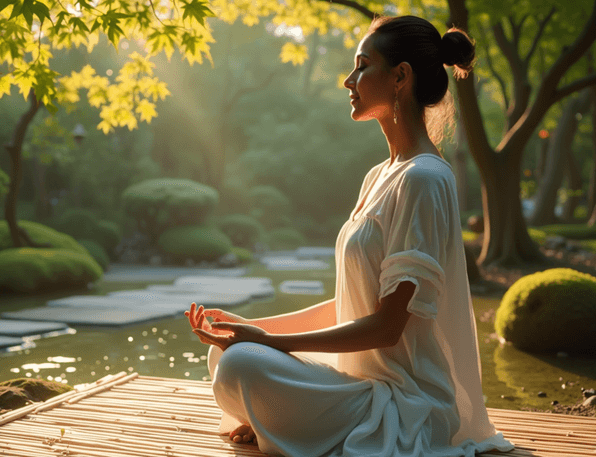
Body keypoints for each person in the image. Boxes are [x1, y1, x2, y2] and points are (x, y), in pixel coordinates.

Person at [184, 15, 516, 457]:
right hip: (358, 381)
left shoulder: (424, 179)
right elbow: (350, 306)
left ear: (400, 76)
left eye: (362, 66)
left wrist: (269, 345)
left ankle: (280, 422)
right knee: (225, 354)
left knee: (243, 364)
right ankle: (280, 420)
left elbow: (387, 325)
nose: (348, 79)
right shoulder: (381, 174)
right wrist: (252, 327)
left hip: (403, 403)